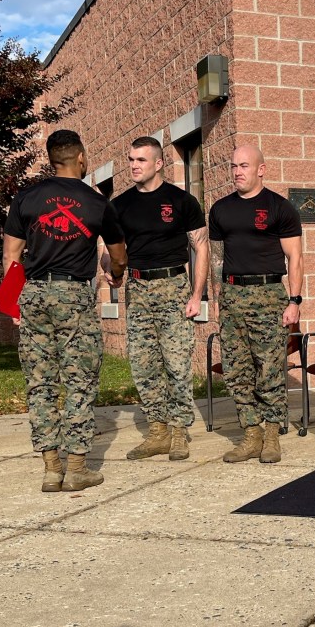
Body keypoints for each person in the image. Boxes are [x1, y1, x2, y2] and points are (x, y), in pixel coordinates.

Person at [3, 128, 127, 492]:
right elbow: (118, 254)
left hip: (34, 293)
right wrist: (116, 274)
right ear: (82, 158)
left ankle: (51, 469)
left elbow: (11, 255)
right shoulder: (97, 203)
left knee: (40, 382)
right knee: (79, 380)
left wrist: (13, 302)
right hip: (73, 295)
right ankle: (76, 469)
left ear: (52, 159)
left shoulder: (26, 198)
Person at [110, 137, 208, 463]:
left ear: (159, 163)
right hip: (137, 289)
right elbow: (111, 249)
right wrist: (111, 270)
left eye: (141, 160)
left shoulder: (181, 201)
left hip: (173, 286)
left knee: (177, 363)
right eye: (130, 159)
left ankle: (179, 430)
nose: (134, 165)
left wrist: (197, 294)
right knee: (143, 364)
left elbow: (201, 247)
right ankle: (158, 431)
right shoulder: (120, 205)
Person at [208, 145, 303, 463]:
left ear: (261, 169)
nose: (237, 172)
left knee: (270, 369)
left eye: (244, 166)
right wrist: (218, 297)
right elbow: (217, 259)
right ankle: (251, 434)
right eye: (234, 166)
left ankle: (272, 435)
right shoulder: (220, 210)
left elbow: (295, 257)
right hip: (232, 296)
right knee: (237, 370)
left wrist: (294, 301)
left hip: (268, 295)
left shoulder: (280, 208)